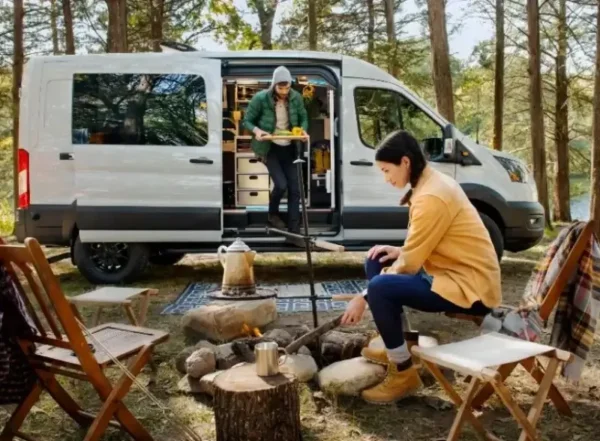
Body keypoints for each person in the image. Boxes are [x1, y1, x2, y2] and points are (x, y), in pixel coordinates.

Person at [340, 130, 501, 405]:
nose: (386, 178)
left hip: (468, 286)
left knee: (379, 288)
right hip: (448, 271)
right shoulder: (428, 184)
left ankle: (402, 371)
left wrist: (362, 297)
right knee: (377, 259)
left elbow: (411, 265)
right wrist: (400, 251)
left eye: (386, 170)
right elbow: (429, 246)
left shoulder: (432, 196)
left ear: (405, 162)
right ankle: (401, 345)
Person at [242, 66, 309, 233]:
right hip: (269, 147)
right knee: (281, 184)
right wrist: (257, 131)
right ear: (274, 85)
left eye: (287, 88)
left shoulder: (296, 98)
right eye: (281, 88)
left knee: (295, 188)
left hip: (290, 147)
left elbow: (303, 117)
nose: (284, 91)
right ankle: (272, 215)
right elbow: (247, 121)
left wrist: (303, 130)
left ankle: (294, 230)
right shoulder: (260, 98)